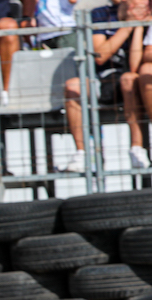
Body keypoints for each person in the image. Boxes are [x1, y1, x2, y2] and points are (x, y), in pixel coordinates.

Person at [62, 0, 149, 172]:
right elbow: (100, 56)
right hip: (104, 79)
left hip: (133, 83)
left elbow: (134, 67)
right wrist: (126, 27)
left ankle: (137, 149)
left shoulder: (147, 14)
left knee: (129, 79)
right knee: (73, 86)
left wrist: (138, 27)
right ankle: (82, 153)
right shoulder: (100, 13)